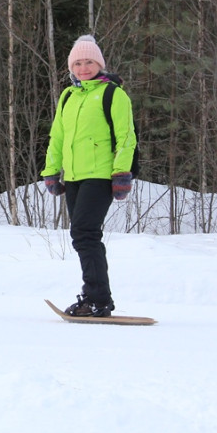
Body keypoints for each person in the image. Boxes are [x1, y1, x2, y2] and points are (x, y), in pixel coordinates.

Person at [41, 34, 137, 317]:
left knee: (85, 233)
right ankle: (96, 298)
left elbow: (126, 137)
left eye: (89, 62)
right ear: (71, 67)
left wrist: (121, 173)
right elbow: (57, 136)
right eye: (78, 63)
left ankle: (97, 299)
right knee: (83, 235)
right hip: (73, 176)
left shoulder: (113, 94)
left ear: (99, 64)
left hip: (100, 174)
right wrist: (50, 171)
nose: (83, 68)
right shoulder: (68, 96)